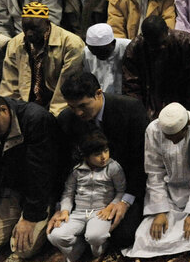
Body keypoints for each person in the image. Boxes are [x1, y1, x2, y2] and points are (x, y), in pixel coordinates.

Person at [58, 72, 149, 250]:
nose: (78, 112)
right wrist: (60, 207)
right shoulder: (67, 119)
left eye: (83, 105)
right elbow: (63, 165)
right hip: (88, 190)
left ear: (98, 93)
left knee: (122, 236)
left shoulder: (131, 109)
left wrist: (125, 201)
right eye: (72, 107)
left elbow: (141, 160)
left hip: (127, 185)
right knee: (61, 231)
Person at [0, 92, 60, 258]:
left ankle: (45, 217)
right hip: (11, 191)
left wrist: (30, 218)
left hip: (40, 193)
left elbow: (42, 174)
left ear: (4, 110)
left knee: (23, 249)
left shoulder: (36, 119)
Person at [123, 102, 190, 257]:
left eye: (176, 137)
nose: (172, 142)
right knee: (146, 238)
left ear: (188, 125)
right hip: (168, 192)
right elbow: (154, 172)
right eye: (168, 137)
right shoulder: (153, 130)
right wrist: (160, 211)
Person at [47, 131, 126, 262]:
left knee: (95, 237)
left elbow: (121, 191)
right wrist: (65, 210)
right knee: (55, 236)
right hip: (78, 213)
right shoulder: (76, 170)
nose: (103, 157)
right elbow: (68, 193)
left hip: (100, 212)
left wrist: (111, 206)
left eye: (106, 151)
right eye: (97, 154)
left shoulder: (113, 168)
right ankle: (80, 245)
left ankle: (97, 246)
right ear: (86, 156)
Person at [0, 2, 86, 116]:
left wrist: (53, 116)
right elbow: (10, 85)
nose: (29, 33)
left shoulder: (71, 44)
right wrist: (13, 114)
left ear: (47, 24)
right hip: (28, 106)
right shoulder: (15, 43)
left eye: (34, 28)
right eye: (25, 28)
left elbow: (65, 89)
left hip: (60, 107)